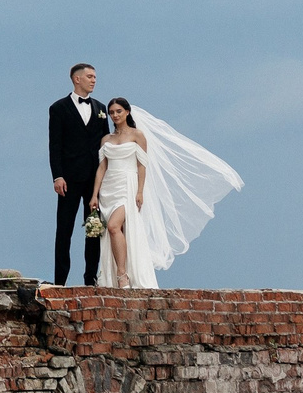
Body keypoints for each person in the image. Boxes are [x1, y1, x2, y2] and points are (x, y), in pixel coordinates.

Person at [89, 95, 244, 289]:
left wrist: (140, 192)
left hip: (127, 185)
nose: (115, 115)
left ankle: (123, 274)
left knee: (113, 226)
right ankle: (113, 275)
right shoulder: (106, 139)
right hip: (109, 188)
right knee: (112, 231)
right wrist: (95, 194)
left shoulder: (137, 135)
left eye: (118, 111)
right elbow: (102, 167)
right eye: (112, 112)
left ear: (127, 112)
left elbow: (142, 165)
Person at [48, 64, 111, 286]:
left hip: (94, 181)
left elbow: (106, 146)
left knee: (94, 228)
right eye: (90, 76)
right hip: (69, 179)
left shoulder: (101, 108)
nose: (94, 80)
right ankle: (60, 281)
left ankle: (90, 278)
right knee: (64, 230)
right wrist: (58, 176)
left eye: (95, 76)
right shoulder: (58, 108)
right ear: (76, 79)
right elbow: (55, 146)